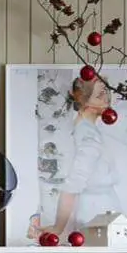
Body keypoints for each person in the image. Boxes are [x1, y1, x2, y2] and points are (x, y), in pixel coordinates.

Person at [47, 77, 121, 235]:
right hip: (95, 213)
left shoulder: (85, 129)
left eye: (107, 93)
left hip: (99, 211)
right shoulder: (87, 134)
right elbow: (74, 182)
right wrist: (58, 228)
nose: (107, 99)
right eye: (101, 94)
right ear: (84, 100)